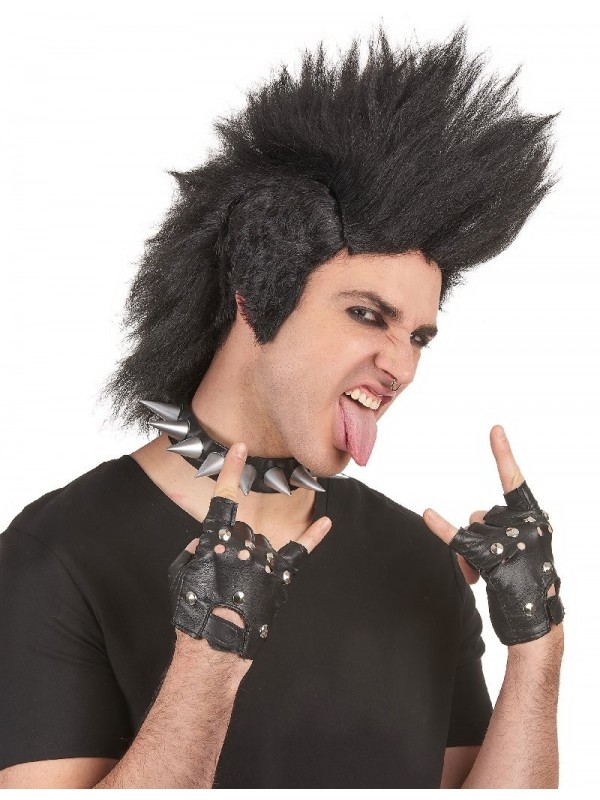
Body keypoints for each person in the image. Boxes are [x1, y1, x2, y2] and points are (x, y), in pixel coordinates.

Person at [0, 26, 564, 788]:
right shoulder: (59, 555)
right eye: (367, 314)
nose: (401, 365)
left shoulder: (420, 567)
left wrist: (536, 649)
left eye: (418, 336)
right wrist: (206, 666)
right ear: (257, 293)